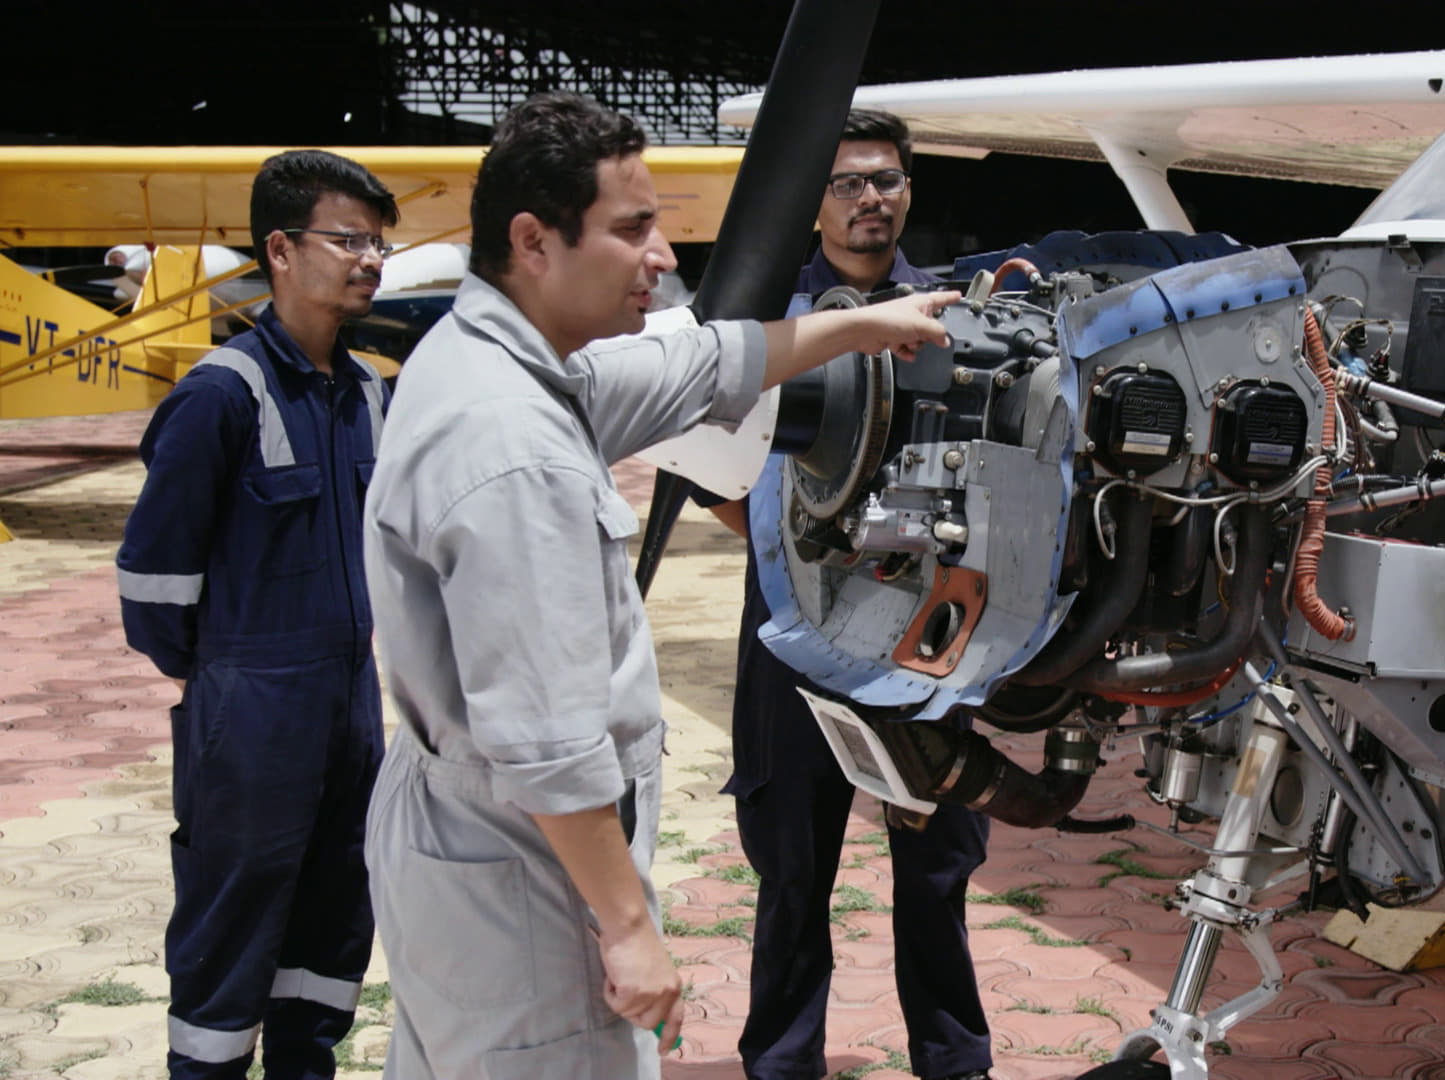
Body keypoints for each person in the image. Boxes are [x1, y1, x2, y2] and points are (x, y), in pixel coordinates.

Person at [360, 92, 958, 1079]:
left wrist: (863, 331)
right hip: (527, 872)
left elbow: (700, 360)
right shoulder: (517, 450)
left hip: (458, 839)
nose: (665, 256)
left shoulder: (493, 356)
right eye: (634, 229)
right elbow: (547, 741)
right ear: (534, 240)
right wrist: (631, 929)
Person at [695, 107, 996, 1080]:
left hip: (926, 636)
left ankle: (954, 1060)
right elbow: (714, 475)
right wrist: (808, 553)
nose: (872, 199)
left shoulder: (964, 318)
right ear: (813, 205)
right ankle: (782, 1063)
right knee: (791, 866)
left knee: (938, 865)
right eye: (848, 183)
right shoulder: (770, 329)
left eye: (888, 181)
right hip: (796, 637)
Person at [116, 150, 398, 1078]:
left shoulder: (365, 393)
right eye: (347, 238)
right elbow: (154, 589)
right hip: (249, 712)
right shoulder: (218, 396)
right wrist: (234, 682)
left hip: (351, 706)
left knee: (331, 923)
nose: (370, 259)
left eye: (378, 242)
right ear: (280, 249)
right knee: (231, 927)